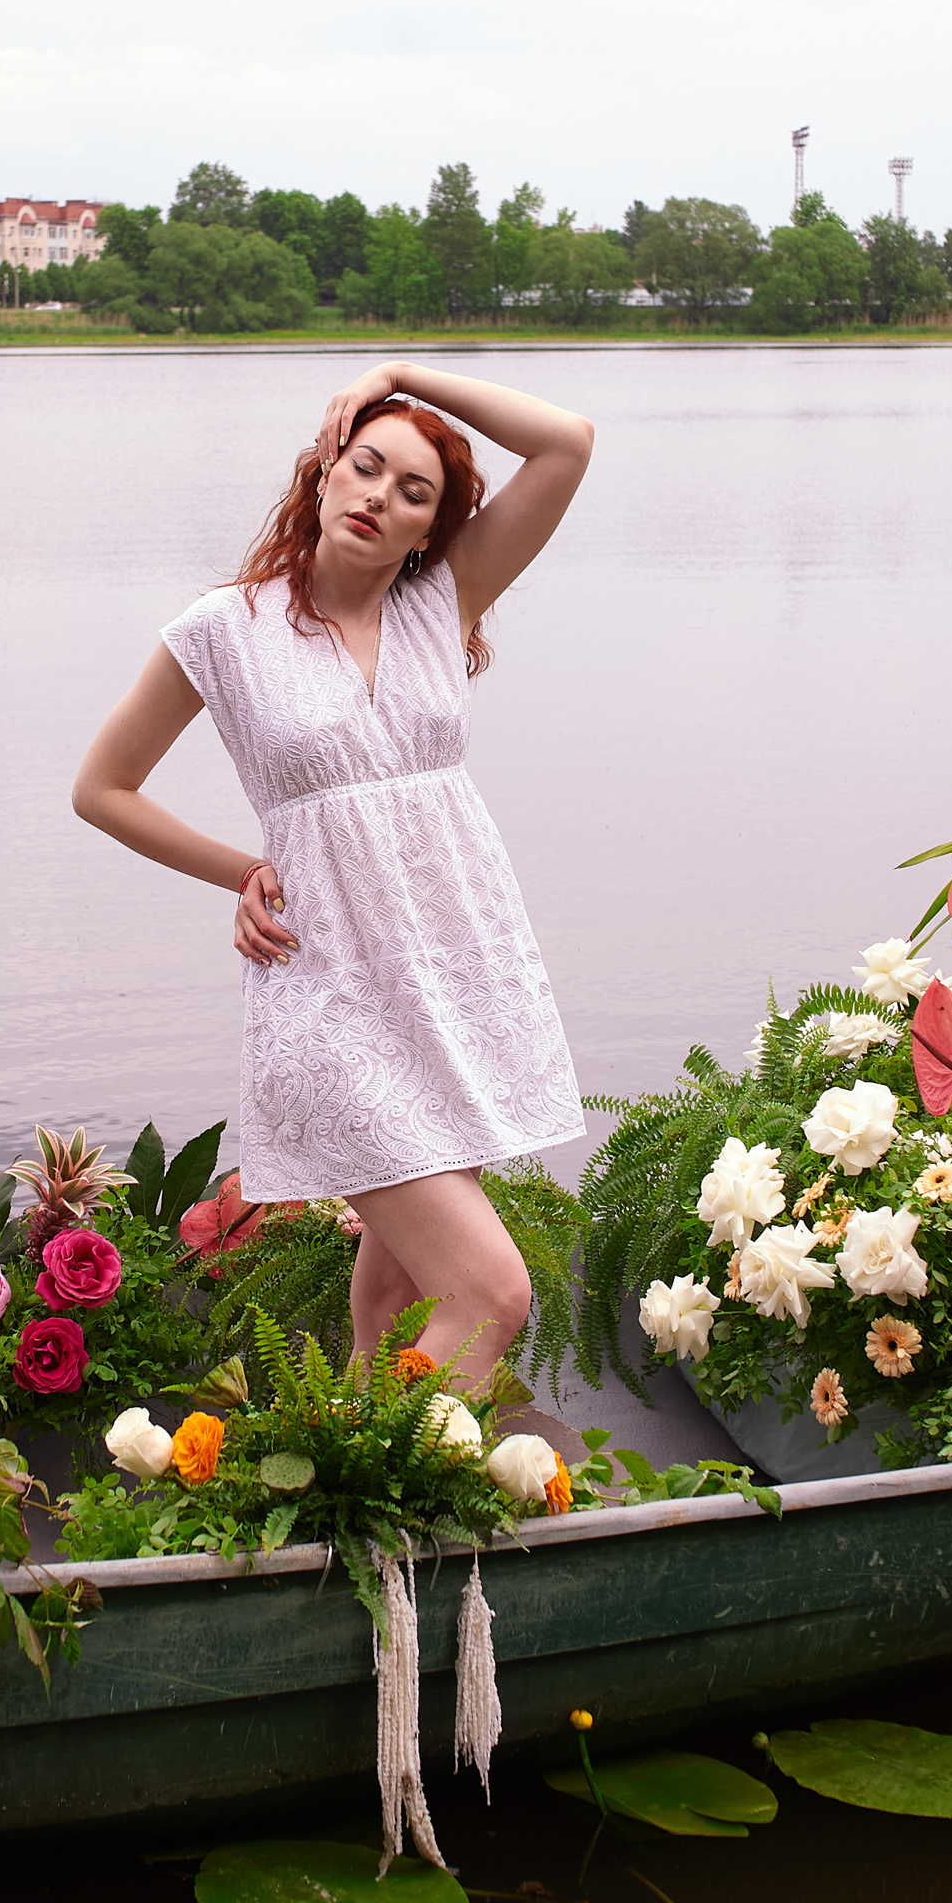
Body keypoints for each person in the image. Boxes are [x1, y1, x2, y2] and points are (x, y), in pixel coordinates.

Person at [72, 362, 594, 1388]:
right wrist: (244, 871)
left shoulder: (439, 603)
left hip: (455, 982)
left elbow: (567, 441)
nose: (378, 497)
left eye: (413, 494)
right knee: (492, 1293)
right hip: (331, 998)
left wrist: (400, 374)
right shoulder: (226, 630)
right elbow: (103, 789)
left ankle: (350, 1494)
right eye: (364, 467)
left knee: (400, 1301)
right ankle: (406, 1491)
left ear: (427, 534)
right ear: (320, 475)